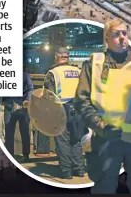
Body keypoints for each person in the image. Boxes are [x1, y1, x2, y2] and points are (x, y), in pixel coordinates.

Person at [73, 20, 131, 194]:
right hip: (106, 138)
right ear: (107, 38)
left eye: (124, 33)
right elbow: (81, 100)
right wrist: (100, 126)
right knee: (104, 187)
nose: (122, 38)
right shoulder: (94, 65)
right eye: (116, 34)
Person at [43, 47, 86, 179]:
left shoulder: (53, 73)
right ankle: (79, 170)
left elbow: (49, 96)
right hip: (79, 110)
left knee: (63, 141)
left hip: (62, 110)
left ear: (56, 57)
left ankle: (66, 171)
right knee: (76, 140)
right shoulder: (79, 71)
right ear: (68, 57)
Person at [2, 71, 33, 162]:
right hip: (14, 106)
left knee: (13, 132)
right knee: (18, 132)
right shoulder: (25, 75)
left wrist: (27, 101)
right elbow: (31, 88)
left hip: (19, 107)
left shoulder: (24, 75)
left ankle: (23, 155)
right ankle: (16, 155)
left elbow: (31, 89)